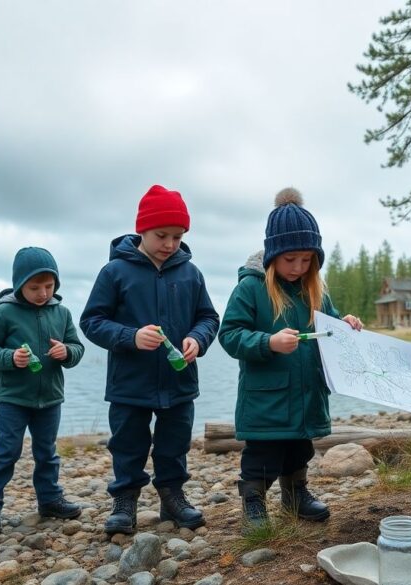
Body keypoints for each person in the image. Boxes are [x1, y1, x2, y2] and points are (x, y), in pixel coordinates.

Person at [219, 188, 362, 531]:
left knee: (300, 451)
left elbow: (329, 330)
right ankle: (254, 502)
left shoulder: (317, 291)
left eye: (306, 259)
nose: (298, 267)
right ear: (273, 255)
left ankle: (296, 495)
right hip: (266, 397)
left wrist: (345, 325)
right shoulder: (250, 288)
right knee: (262, 457)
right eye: (290, 259)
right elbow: (229, 335)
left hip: (307, 393)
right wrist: (268, 342)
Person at [80, 184, 219, 535]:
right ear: (142, 228)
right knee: (127, 445)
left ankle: (172, 498)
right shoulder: (114, 272)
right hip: (130, 384)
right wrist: (130, 336)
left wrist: (197, 339)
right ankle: (124, 502)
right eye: (162, 235)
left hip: (179, 382)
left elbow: (209, 318)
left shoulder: (191, 273)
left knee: (174, 444)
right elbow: (91, 322)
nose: (170, 244)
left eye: (178, 236)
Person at [0, 246, 86, 536]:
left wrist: (67, 352)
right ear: (19, 284)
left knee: (47, 452)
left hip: (50, 397)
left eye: (49, 286)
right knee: (7, 451)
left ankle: (49, 500)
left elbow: (77, 347)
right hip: (13, 398)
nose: (43, 293)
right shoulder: (4, 312)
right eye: (34, 287)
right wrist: (10, 358)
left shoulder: (62, 313)